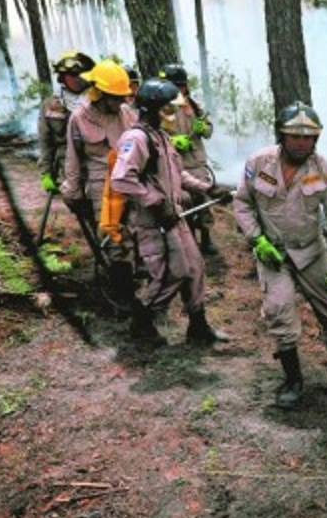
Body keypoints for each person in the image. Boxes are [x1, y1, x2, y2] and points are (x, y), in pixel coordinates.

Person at [232, 101, 327, 409]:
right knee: (279, 311)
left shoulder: (324, 170)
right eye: (294, 136)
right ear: (281, 135)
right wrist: (256, 239)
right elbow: (242, 203)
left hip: (311, 251)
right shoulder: (258, 162)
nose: (301, 143)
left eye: (308, 137)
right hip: (272, 253)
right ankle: (293, 379)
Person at [110, 78, 230, 345]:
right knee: (170, 273)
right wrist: (155, 200)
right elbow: (121, 179)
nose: (174, 114)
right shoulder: (136, 138)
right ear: (153, 109)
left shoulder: (161, 137)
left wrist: (209, 189)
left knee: (195, 268)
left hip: (174, 217)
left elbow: (179, 174)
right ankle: (142, 324)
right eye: (168, 109)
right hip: (153, 222)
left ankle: (198, 327)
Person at [60, 59, 137, 229]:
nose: (122, 102)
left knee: (140, 236)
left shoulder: (126, 114)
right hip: (101, 189)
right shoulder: (79, 118)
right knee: (112, 241)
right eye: (117, 98)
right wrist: (73, 192)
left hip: (131, 182)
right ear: (100, 94)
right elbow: (73, 159)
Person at [159, 64, 218, 255]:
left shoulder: (193, 104)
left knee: (204, 202)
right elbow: (152, 134)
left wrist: (203, 128)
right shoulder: (159, 107)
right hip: (174, 164)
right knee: (183, 203)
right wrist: (172, 141)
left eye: (178, 86)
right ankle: (189, 240)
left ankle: (206, 238)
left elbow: (208, 130)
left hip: (197, 162)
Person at [38, 50, 94, 195]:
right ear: (62, 77)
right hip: (67, 165)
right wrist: (46, 173)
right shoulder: (50, 105)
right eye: (73, 75)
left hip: (95, 162)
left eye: (81, 73)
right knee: (75, 202)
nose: (78, 79)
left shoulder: (97, 100)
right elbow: (45, 140)